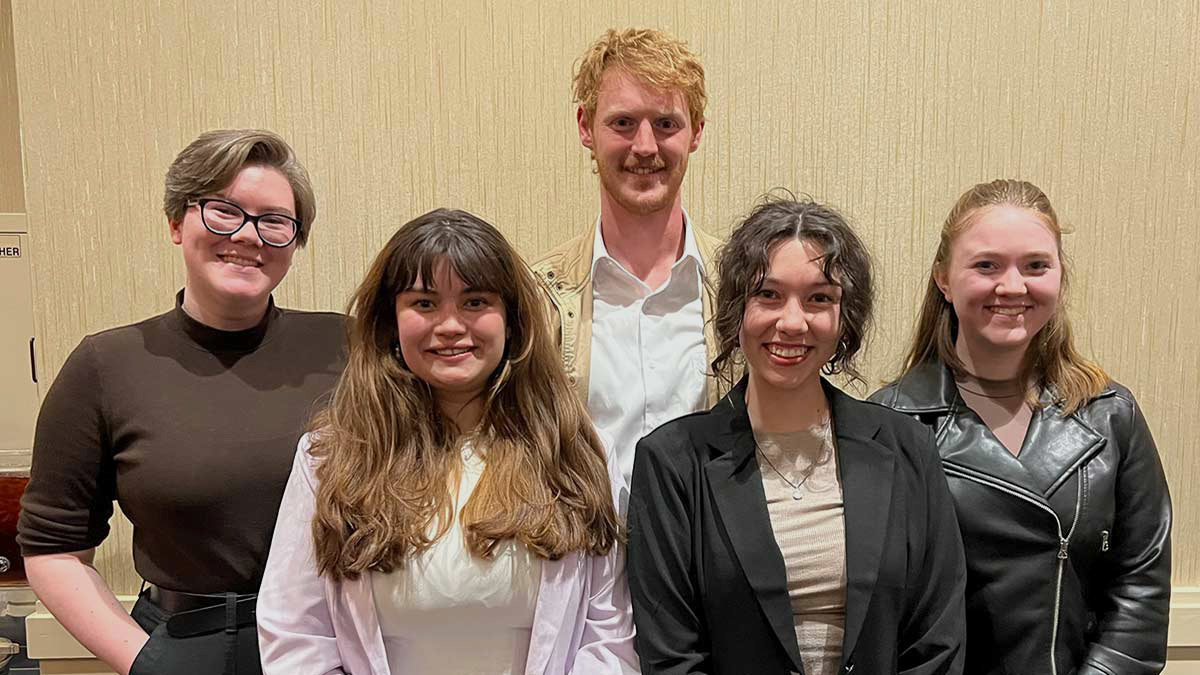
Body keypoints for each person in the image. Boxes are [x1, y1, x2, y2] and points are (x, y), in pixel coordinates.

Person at [17, 129, 347, 674]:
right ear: (176, 222)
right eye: (224, 211)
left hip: (333, 643)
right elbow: (54, 548)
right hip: (187, 645)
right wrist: (146, 662)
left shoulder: (348, 348)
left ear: (295, 241)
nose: (248, 235)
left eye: (274, 221)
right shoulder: (106, 365)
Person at [257, 209, 638, 674]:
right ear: (390, 323)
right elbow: (295, 636)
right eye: (424, 303)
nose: (451, 325)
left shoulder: (577, 450)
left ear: (512, 321)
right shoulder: (330, 457)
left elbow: (608, 636)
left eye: (475, 302)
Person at [627, 196, 966, 675]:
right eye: (768, 294)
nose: (791, 321)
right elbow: (671, 657)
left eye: (819, 299)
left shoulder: (907, 447)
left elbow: (937, 641)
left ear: (844, 319)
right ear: (736, 310)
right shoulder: (672, 463)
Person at [870, 178, 1172, 674]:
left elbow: (1140, 589)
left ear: (1059, 276)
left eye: (1036, 266)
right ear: (944, 278)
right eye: (987, 265)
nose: (1013, 287)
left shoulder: (1111, 415)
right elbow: (883, 608)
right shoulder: (890, 424)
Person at [532, 28, 723, 486]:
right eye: (622, 123)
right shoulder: (537, 297)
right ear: (585, 127)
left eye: (666, 124)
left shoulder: (740, 287)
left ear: (696, 132)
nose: (645, 146)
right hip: (582, 532)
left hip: (708, 535)